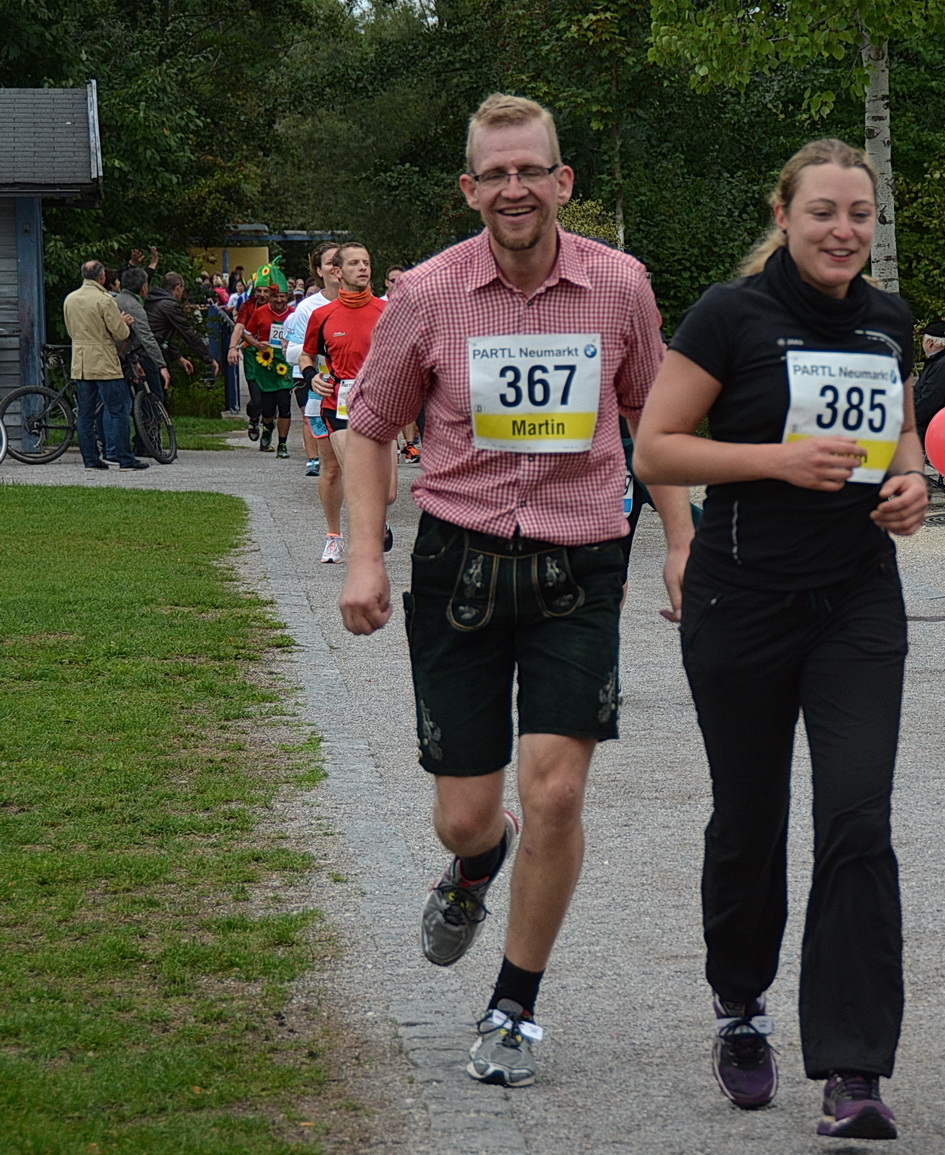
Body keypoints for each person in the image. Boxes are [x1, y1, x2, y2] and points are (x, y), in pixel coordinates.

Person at [336, 92, 690, 1091]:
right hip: (461, 565)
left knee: (558, 790)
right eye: (494, 173)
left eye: (530, 169)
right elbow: (368, 427)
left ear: (563, 181)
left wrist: (679, 542)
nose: (514, 187)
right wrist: (366, 554)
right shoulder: (431, 295)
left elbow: (650, 420)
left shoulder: (620, 286)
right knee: (465, 814)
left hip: (579, 566)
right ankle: (474, 868)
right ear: (469, 188)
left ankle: (514, 1005)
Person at [633, 137, 926, 1141]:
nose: (843, 230)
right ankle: (740, 1004)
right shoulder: (730, 314)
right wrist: (775, 460)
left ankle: (852, 1069)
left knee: (857, 821)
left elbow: (906, 435)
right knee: (750, 822)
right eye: (823, 212)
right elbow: (655, 446)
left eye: (859, 213)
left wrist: (912, 482)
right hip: (741, 602)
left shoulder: (889, 321)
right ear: (786, 214)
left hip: (855, 602)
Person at [300, 243, 396, 559]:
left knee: (390, 493)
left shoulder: (387, 312)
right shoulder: (321, 315)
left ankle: (378, 523)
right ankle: (346, 538)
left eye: (366, 262)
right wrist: (312, 374)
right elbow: (306, 354)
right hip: (340, 405)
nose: (363, 268)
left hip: (381, 406)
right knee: (353, 474)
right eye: (354, 263)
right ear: (338, 272)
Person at [63, 259, 149, 471]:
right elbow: (120, 333)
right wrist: (124, 323)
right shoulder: (105, 300)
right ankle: (125, 458)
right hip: (103, 360)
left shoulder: (70, 299)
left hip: (81, 360)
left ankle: (91, 460)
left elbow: (70, 331)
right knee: (118, 409)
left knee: (85, 413)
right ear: (102, 277)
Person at [287, 242, 342, 486]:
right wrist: (327, 347)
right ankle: (334, 524)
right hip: (318, 387)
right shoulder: (308, 309)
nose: (336, 267)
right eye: (330, 263)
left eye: (341, 261)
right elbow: (291, 352)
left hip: (354, 389)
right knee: (331, 467)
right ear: (319, 271)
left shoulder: (367, 302)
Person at [232, 262, 296, 454]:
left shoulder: (294, 314)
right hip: (265, 364)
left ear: (287, 297)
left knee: (284, 406)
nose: (278, 300)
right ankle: (267, 428)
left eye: (282, 296)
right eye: (275, 296)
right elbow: (246, 333)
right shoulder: (260, 313)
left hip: (285, 365)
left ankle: (282, 444)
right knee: (267, 409)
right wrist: (257, 344)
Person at [114, 267, 172, 458]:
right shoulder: (132, 305)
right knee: (152, 399)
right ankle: (146, 443)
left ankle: (135, 443)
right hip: (127, 357)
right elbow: (146, 337)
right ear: (144, 287)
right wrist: (161, 365)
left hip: (126, 356)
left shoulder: (116, 299)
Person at [146, 272, 223, 385]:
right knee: (156, 395)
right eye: (183, 288)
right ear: (178, 288)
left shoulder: (154, 300)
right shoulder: (169, 305)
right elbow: (188, 333)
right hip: (151, 355)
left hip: (145, 350)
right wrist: (209, 358)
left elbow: (161, 336)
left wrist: (178, 358)